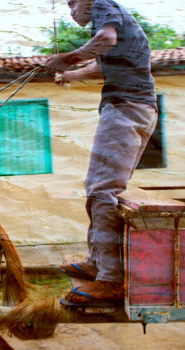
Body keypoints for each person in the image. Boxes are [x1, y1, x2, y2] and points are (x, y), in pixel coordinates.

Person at [45, 0, 158, 305]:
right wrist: (70, 73)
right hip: (130, 108)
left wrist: (68, 58)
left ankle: (110, 281)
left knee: (103, 190)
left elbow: (105, 40)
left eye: (73, 2)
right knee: (96, 188)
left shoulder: (102, 5)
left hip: (126, 108)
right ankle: (98, 263)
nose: (71, 11)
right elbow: (99, 63)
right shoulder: (109, 19)